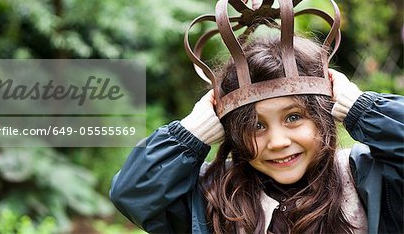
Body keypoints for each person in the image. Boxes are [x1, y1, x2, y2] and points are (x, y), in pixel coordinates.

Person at [110, 34, 403, 234]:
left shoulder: (367, 178)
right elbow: (134, 194)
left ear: (322, 118)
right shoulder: (214, 199)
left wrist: (364, 110)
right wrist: (192, 134)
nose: (277, 142)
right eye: (256, 125)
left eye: (293, 117)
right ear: (233, 132)